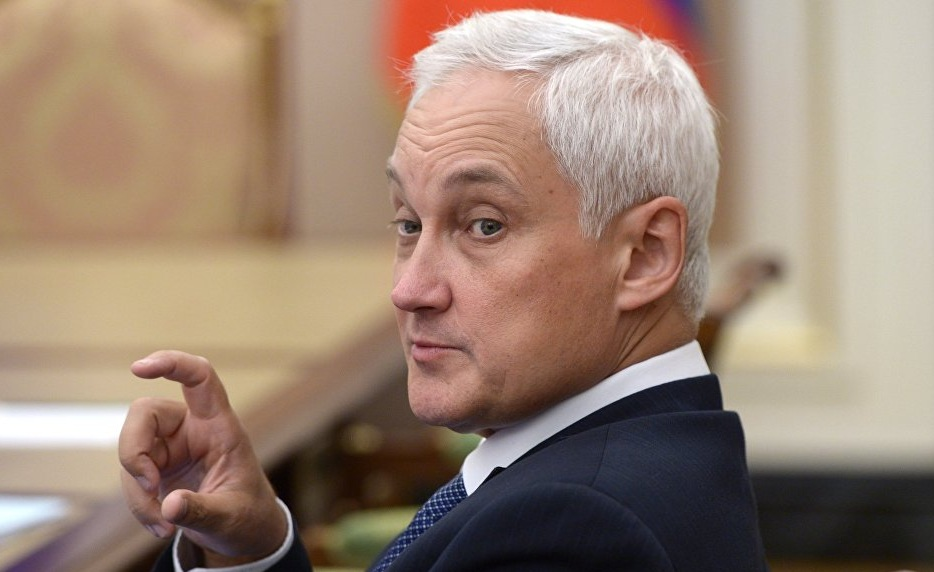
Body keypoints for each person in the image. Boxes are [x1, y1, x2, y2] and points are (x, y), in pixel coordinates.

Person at [119, 9, 768, 571]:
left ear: (644, 256)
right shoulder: (647, 453)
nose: (409, 290)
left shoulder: (569, 531)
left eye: (484, 225)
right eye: (408, 223)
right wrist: (249, 549)